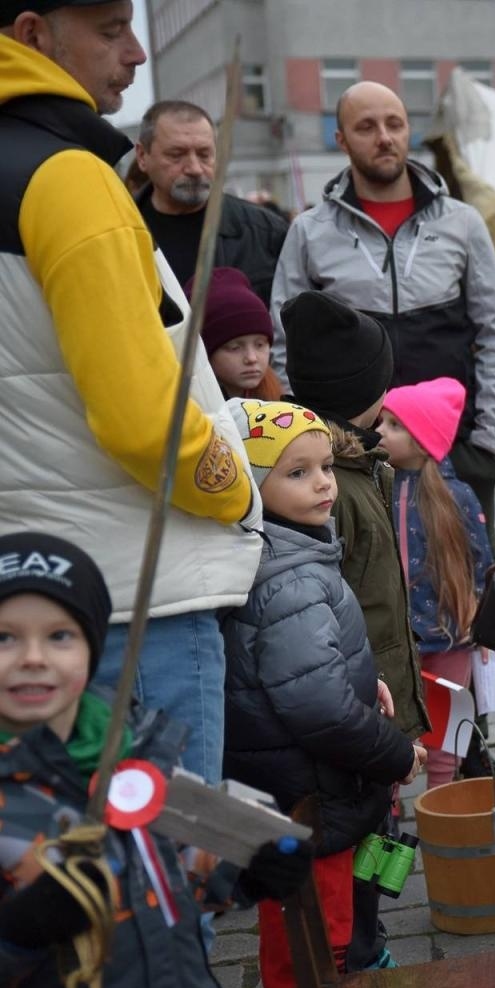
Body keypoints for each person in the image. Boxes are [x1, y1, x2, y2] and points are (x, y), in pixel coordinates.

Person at [0, 0, 262, 788]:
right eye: (112, 30)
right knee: (154, 860)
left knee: (48, 855)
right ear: (33, 34)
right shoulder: (67, 179)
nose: (138, 53)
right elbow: (147, 421)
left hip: (27, 596)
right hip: (129, 600)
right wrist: (236, 492)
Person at [0, 532, 311, 988]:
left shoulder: (132, 750)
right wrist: (17, 934)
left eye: (59, 635)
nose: (33, 657)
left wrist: (245, 870)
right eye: (4, 637)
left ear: (92, 648)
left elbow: (168, 871)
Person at [219, 399, 424, 988]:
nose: (324, 484)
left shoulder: (288, 553)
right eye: (297, 473)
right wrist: (394, 753)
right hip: (311, 805)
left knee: (302, 952)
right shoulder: (292, 577)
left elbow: (304, 667)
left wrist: (365, 681)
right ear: (254, 484)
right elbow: (316, 705)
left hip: (303, 799)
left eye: (326, 467)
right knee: (316, 960)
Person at [270, 80, 495, 548]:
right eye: (366, 127)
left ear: (408, 130)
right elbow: (285, 342)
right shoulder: (310, 231)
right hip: (350, 459)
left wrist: (489, 444)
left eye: (394, 124)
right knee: (368, 582)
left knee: (463, 584)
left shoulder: (462, 222)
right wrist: (316, 445)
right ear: (341, 139)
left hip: (453, 452)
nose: (384, 137)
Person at [281, 289, 430, 973]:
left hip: (380, 689)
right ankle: (360, 946)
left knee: (381, 821)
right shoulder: (330, 486)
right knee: (364, 823)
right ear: (364, 391)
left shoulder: (359, 465)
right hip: (360, 697)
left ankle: (369, 928)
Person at [376, 378, 492, 787]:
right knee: (391, 727)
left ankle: (440, 803)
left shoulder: (457, 496)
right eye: (382, 421)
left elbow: (481, 564)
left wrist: (481, 624)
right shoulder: (375, 486)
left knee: (446, 730)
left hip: (448, 638)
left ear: (424, 440)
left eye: (394, 425)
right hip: (392, 641)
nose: (380, 430)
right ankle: (388, 808)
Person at [133, 99, 287, 302]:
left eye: (204, 155)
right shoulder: (119, 232)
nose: (195, 169)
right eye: (176, 155)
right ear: (142, 156)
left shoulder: (266, 233)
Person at [195, 266, 283, 399]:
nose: (252, 358)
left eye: (260, 345)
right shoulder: (190, 405)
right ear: (205, 352)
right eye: (235, 348)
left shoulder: (275, 399)